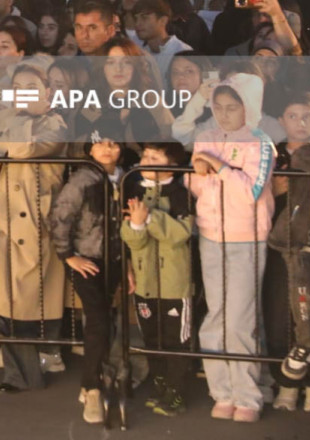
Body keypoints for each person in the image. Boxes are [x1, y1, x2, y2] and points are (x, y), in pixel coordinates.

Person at [0, 61, 68, 392]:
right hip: (10, 223)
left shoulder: (55, 125)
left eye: (32, 88)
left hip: (39, 227)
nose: (24, 95)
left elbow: (25, 149)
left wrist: (13, 121)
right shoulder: (6, 120)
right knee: (13, 301)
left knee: (24, 307)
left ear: (48, 93)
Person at [188, 73, 276, 421]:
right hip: (211, 236)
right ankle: (222, 391)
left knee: (240, 320)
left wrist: (219, 167)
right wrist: (201, 170)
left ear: (249, 108)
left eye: (232, 108)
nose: (224, 115)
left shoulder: (261, 142)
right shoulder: (205, 136)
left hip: (246, 239)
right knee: (216, 317)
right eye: (219, 107)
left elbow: (251, 191)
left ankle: (249, 396)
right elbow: (195, 184)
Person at [49, 120, 127, 424]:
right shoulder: (82, 180)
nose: (108, 148)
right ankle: (92, 387)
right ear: (90, 147)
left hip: (116, 258)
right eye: (101, 142)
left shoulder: (126, 177)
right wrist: (68, 256)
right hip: (88, 259)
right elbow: (60, 216)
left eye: (114, 142)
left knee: (106, 318)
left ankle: (101, 377)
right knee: (97, 319)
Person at [270, 105, 310, 428]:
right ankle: (305, 345)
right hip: (303, 246)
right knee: (303, 295)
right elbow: (305, 160)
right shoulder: (307, 155)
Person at [121, 142, 194, 418]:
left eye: (155, 156)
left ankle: (176, 392)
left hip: (175, 282)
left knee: (176, 338)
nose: (146, 160)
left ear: (172, 164)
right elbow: (130, 238)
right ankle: (160, 383)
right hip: (145, 281)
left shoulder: (180, 193)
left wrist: (150, 217)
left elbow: (181, 234)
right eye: (145, 155)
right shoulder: (133, 189)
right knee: (151, 335)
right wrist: (137, 225)